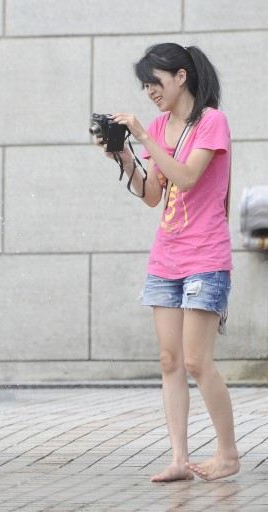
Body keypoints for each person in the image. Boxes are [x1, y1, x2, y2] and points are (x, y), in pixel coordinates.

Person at [97, 43, 240, 482]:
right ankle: (179, 458)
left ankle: (228, 454)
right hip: (167, 257)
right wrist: (125, 158)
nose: (150, 91)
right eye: (145, 85)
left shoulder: (211, 122)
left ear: (181, 77)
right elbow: (155, 194)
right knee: (169, 359)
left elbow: (186, 176)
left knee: (198, 361)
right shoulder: (160, 126)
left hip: (206, 256)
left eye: (155, 82)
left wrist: (143, 137)